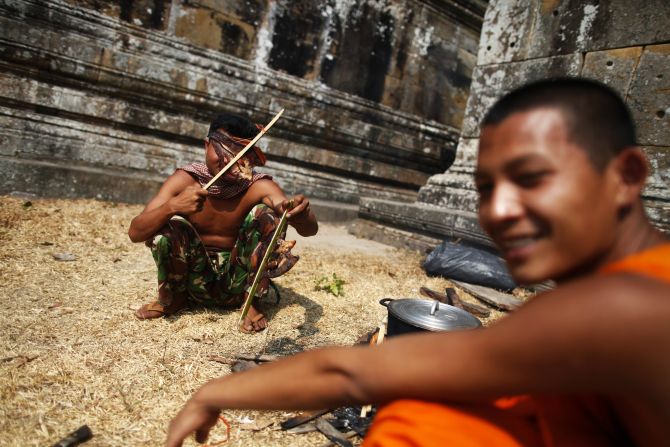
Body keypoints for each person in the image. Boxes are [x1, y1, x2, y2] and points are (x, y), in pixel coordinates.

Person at [165, 78, 670, 446]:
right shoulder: (612, 297)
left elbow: (355, 376)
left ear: (625, 175)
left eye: (532, 177)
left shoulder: (624, 309)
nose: (496, 211)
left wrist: (213, 395)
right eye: (487, 188)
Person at [128, 112, 318, 332]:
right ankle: (174, 299)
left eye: (239, 155)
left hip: (237, 285)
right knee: (168, 228)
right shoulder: (184, 179)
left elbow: (308, 228)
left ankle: (251, 302)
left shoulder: (258, 186)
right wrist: (173, 207)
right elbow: (135, 232)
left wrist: (300, 214)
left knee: (267, 215)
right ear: (206, 145)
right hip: (192, 285)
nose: (228, 161)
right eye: (222, 150)